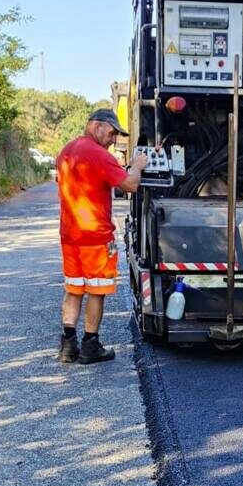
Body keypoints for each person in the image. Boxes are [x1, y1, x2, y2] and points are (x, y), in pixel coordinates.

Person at [56, 109, 148, 364]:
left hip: (69, 236)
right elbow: (130, 185)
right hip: (95, 238)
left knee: (74, 290)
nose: (114, 138)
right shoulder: (99, 155)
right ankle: (90, 345)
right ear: (96, 126)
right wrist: (138, 167)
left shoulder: (66, 151)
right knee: (96, 292)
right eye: (112, 132)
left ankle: (67, 345)